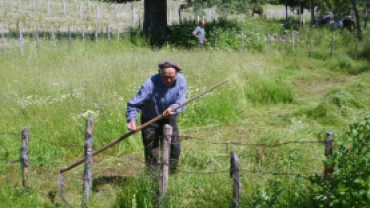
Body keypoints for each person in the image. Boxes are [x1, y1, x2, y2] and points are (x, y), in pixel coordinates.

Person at [126, 60, 187, 174]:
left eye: (171, 77)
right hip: (150, 119)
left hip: (169, 117)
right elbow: (134, 104)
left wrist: (173, 108)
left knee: (174, 146)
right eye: (165, 77)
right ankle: (152, 176)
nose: (168, 80)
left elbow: (181, 100)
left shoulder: (181, 80)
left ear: (177, 74)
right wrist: (132, 119)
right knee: (152, 149)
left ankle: (171, 173)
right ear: (159, 73)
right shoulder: (149, 84)